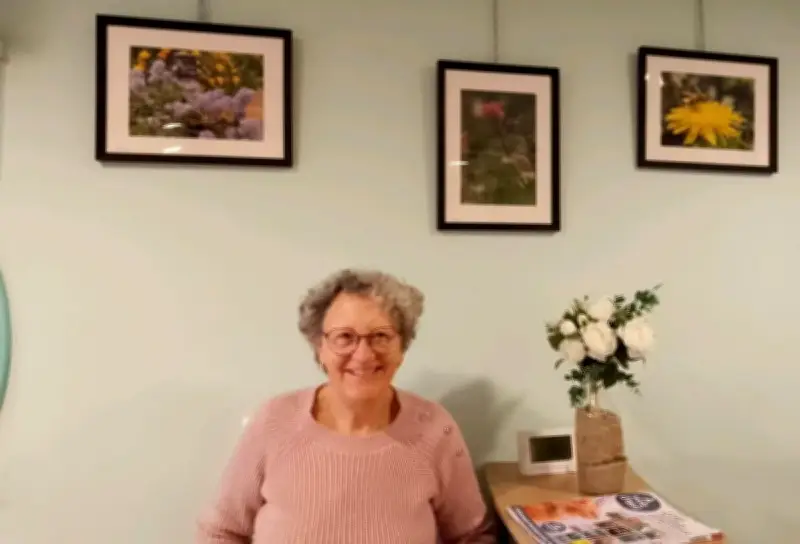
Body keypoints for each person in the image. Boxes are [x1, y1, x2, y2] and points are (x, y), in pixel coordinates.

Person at [196, 268, 496, 543]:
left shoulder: (434, 428)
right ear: (319, 347)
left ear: (402, 347)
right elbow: (222, 532)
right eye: (344, 338)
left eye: (381, 336)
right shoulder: (274, 421)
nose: (363, 355)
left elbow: (471, 536)